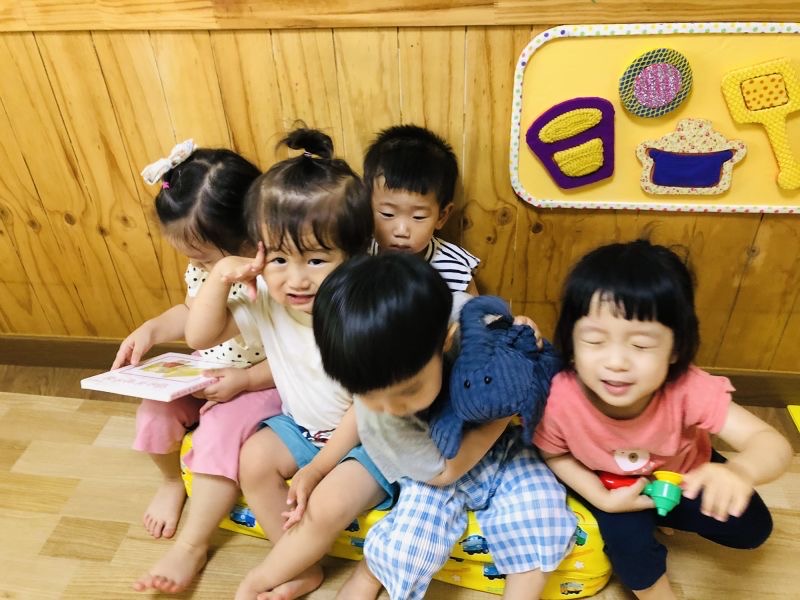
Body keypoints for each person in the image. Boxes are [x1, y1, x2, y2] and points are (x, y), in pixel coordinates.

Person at [182, 128, 396, 600]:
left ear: (353, 255)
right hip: (302, 427)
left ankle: (266, 575)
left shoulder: (361, 312)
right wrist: (221, 276)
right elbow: (199, 336)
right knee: (253, 461)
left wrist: (317, 470)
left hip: (369, 441)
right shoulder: (267, 296)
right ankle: (299, 566)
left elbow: (366, 410)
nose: (296, 279)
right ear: (258, 251)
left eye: (316, 260)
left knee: (327, 504)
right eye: (279, 258)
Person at [533, 239, 793, 600]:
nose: (616, 362)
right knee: (629, 547)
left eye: (640, 345)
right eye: (594, 341)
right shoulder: (560, 397)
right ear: (571, 345)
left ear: (676, 350)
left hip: (685, 476)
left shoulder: (687, 388)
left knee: (752, 529)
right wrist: (601, 499)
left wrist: (740, 471)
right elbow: (554, 454)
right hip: (613, 488)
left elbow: (771, 442)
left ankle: (663, 516)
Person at [313, 253, 578, 600]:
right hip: (434, 470)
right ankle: (367, 576)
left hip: (506, 451)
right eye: (369, 396)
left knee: (542, 514)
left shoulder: (466, 322)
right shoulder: (380, 420)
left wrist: (524, 338)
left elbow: (515, 344)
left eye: (408, 391)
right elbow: (442, 474)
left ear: (446, 340)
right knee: (409, 544)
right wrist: (501, 416)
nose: (392, 408)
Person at [122, 141, 282, 593]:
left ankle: (192, 545)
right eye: (192, 260)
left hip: (260, 380)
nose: (197, 267)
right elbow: (193, 317)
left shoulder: (278, 279)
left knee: (218, 434)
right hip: (209, 368)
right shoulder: (204, 268)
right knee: (154, 411)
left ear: (252, 234)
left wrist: (244, 381)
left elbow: (302, 359)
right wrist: (153, 328)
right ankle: (172, 481)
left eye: (205, 259)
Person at [364, 124, 480, 294]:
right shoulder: (358, 257)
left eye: (418, 216)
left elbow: (475, 310)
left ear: (442, 216)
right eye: (387, 214)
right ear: (367, 207)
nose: (401, 231)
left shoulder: (454, 270)